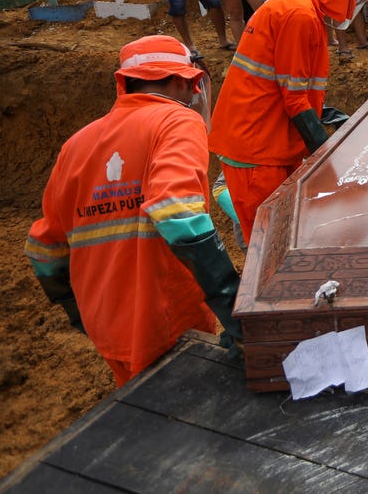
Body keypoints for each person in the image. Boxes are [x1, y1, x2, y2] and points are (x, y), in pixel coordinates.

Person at [25, 35, 243, 386]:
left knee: (139, 410)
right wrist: (232, 308)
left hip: (104, 323)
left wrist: (77, 311)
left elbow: (43, 247)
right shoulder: (176, 121)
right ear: (180, 81)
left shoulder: (76, 144)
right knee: (184, 408)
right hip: (165, 316)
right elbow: (177, 210)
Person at [209, 0, 367, 238]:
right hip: (258, 147)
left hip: (268, 137)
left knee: (281, 231)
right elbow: (294, 96)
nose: (352, 5)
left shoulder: (298, 7)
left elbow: (291, 86)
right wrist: (327, 158)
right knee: (270, 239)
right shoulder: (300, 15)